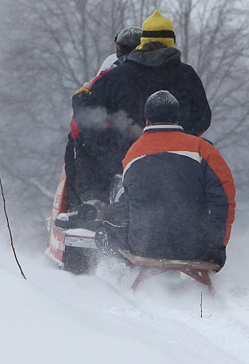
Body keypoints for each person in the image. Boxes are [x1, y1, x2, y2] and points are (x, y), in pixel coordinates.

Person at [67, 11, 212, 223]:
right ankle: (201, 213)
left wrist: (81, 96)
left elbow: (87, 118)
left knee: (82, 139)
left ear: (142, 42)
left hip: (125, 160)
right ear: (172, 42)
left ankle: (95, 204)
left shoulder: (117, 77)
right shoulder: (187, 76)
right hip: (178, 162)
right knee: (206, 150)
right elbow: (202, 121)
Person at [98, 90, 235, 266]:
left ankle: (121, 273)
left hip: (144, 245)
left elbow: (129, 200)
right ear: (177, 120)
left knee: (113, 212)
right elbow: (224, 200)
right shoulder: (203, 150)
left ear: (147, 121)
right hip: (195, 247)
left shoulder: (134, 152)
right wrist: (217, 247)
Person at [60, 26, 142, 216]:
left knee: (78, 140)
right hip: (148, 147)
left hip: (115, 151)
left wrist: (82, 95)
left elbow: (82, 120)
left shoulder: (108, 78)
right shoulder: (161, 76)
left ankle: (87, 202)